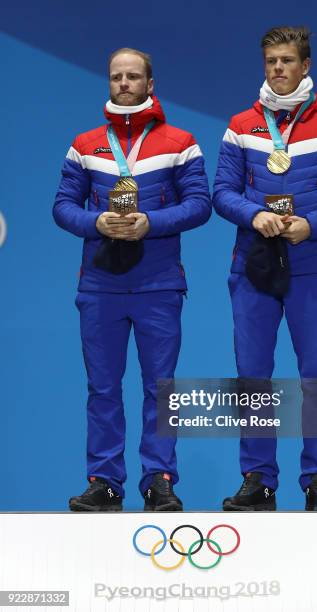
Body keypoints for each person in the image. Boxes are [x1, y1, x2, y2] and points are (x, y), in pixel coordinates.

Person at [213, 26, 317, 511]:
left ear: (305, 66)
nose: (277, 69)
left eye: (286, 60)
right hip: (254, 265)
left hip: (313, 263)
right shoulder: (242, 124)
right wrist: (253, 214)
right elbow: (221, 191)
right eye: (270, 62)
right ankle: (258, 478)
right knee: (254, 375)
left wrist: (313, 225)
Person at [53, 47, 211, 512]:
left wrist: (153, 222)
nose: (123, 83)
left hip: (159, 284)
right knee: (102, 388)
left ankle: (159, 480)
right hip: (100, 284)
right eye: (116, 76)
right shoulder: (84, 144)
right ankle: (104, 481)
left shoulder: (180, 141)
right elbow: (62, 206)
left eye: (133, 76)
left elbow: (200, 204)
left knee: (161, 388)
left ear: (150, 84)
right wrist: (96, 223)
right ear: (109, 82)